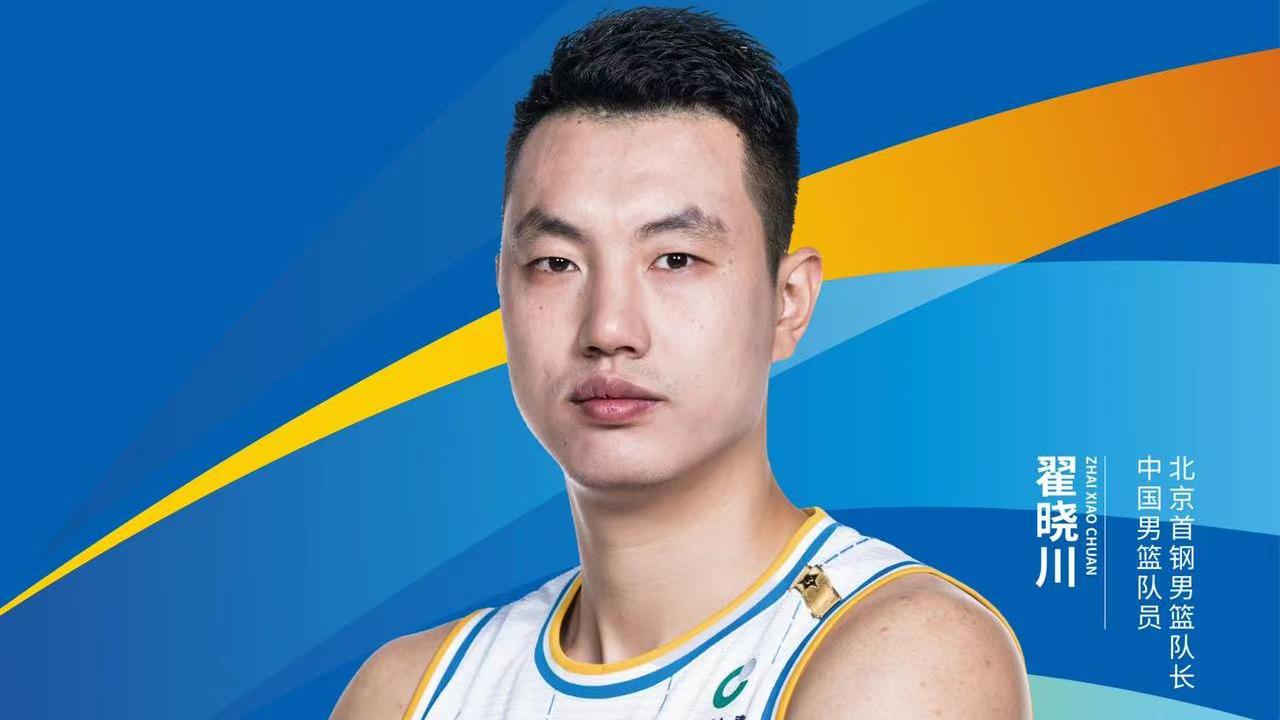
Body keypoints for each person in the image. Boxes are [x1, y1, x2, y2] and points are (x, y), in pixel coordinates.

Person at [332, 6, 1032, 719]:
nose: (608, 328)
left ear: (788, 303)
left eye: (675, 259)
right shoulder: (409, 691)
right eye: (557, 262)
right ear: (503, 294)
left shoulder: (903, 650)